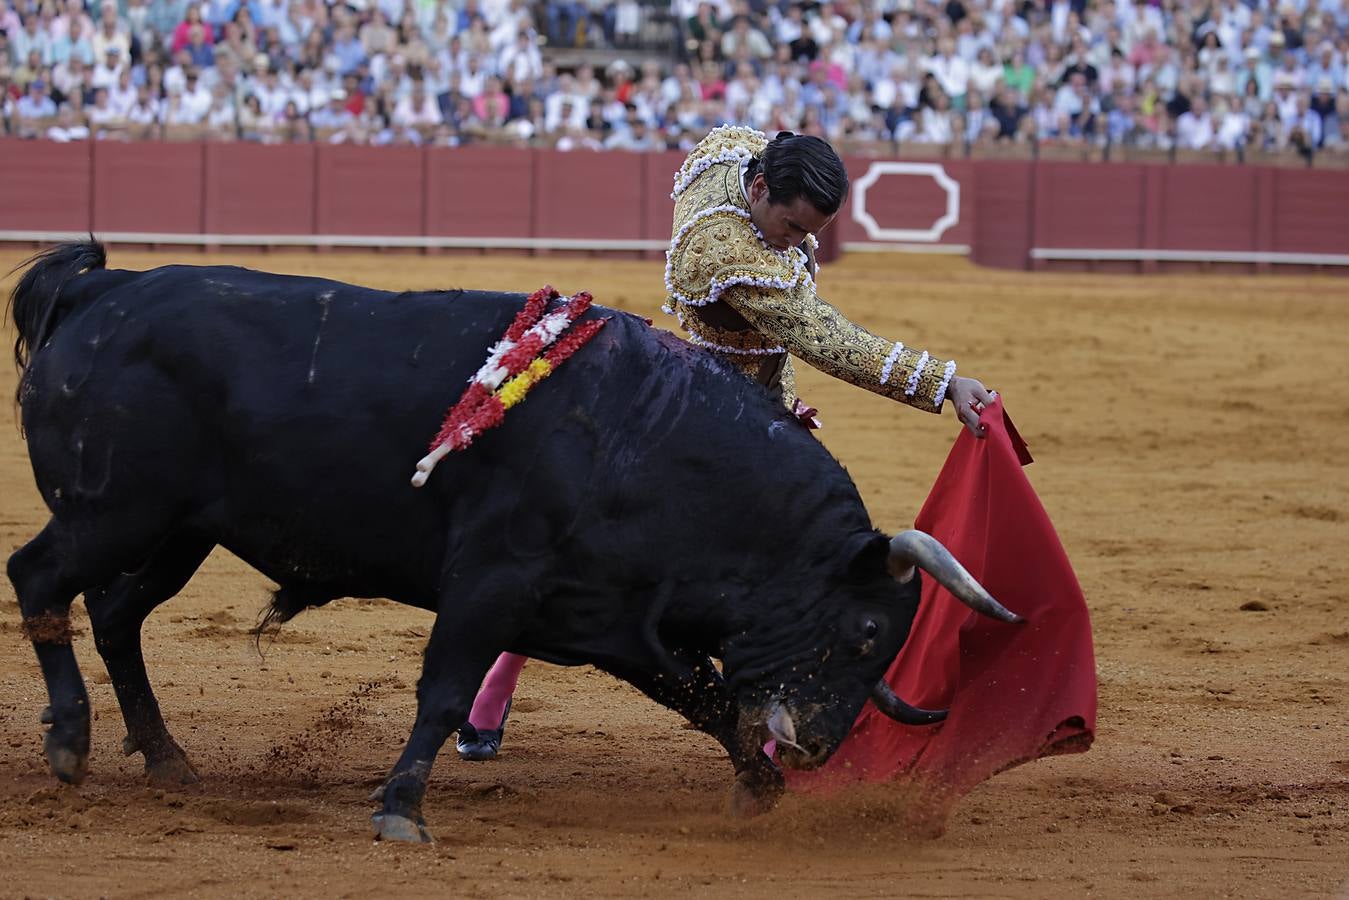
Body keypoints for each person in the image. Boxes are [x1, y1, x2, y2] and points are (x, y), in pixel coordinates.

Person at [455, 125, 997, 761]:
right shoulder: (725, 250)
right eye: (792, 227)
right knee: (589, 554)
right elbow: (825, 337)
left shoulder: (734, 152)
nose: (799, 242)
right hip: (698, 421)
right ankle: (492, 687)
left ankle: (777, 715)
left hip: (757, 403)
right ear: (760, 189)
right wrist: (942, 382)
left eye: (809, 232)